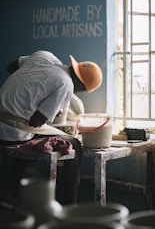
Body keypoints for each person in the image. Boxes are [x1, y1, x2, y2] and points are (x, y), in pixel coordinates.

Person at [0, 50, 103, 207]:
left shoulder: (44, 55)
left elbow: (11, 67)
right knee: (75, 144)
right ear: (80, 86)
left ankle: (13, 189)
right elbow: (36, 122)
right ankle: (70, 205)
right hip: (10, 130)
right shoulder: (67, 85)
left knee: (30, 133)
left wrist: (26, 90)